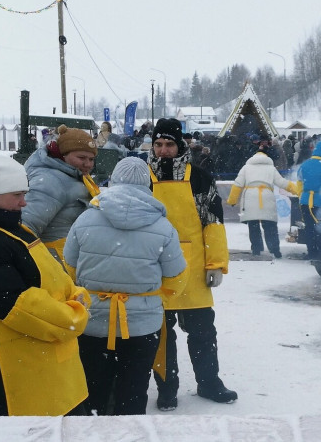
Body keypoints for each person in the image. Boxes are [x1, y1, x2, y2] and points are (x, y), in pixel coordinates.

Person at [0, 154, 90, 416]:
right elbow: (15, 304)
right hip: (13, 358)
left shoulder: (8, 225)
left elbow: (56, 275)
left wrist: (75, 296)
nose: (24, 202)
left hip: (43, 348)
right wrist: (72, 315)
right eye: (16, 195)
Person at [64, 157, 187, 416]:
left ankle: (93, 429)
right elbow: (176, 274)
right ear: (147, 184)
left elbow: (70, 265)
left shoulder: (85, 219)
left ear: (114, 181)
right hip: (141, 326)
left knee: (92, 386)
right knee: (134, 387)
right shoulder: (164, 227)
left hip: (92, 321)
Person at [146, 118, 236, 411]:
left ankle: (209, 383)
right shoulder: (142, 178)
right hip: (154, 269)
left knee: (203, 332)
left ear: (180, 145)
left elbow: (213, 223)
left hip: (194, 268)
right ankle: (167, 388)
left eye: (169, 144)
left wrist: (216, 263)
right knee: (161, 336)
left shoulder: (200, 178)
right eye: (158, 144)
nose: (163, 150)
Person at [22, 124, 99, 264]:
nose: (88, 164)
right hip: (57, 263)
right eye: (81, 157)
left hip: (69, 260)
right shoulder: (51, 181)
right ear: (63, 155)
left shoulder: (74, 175)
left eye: (91, 159)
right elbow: (26, 228)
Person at [227, 149, 301, 259]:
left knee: (254, 226)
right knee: (270, 226)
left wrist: (232, 200)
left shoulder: (246, 168)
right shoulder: (271, 168)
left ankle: (257, 249)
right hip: (267, 197)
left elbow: (237, 184)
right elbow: (282, 183)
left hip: (250, 198)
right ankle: (275, 250)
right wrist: (298, 191)